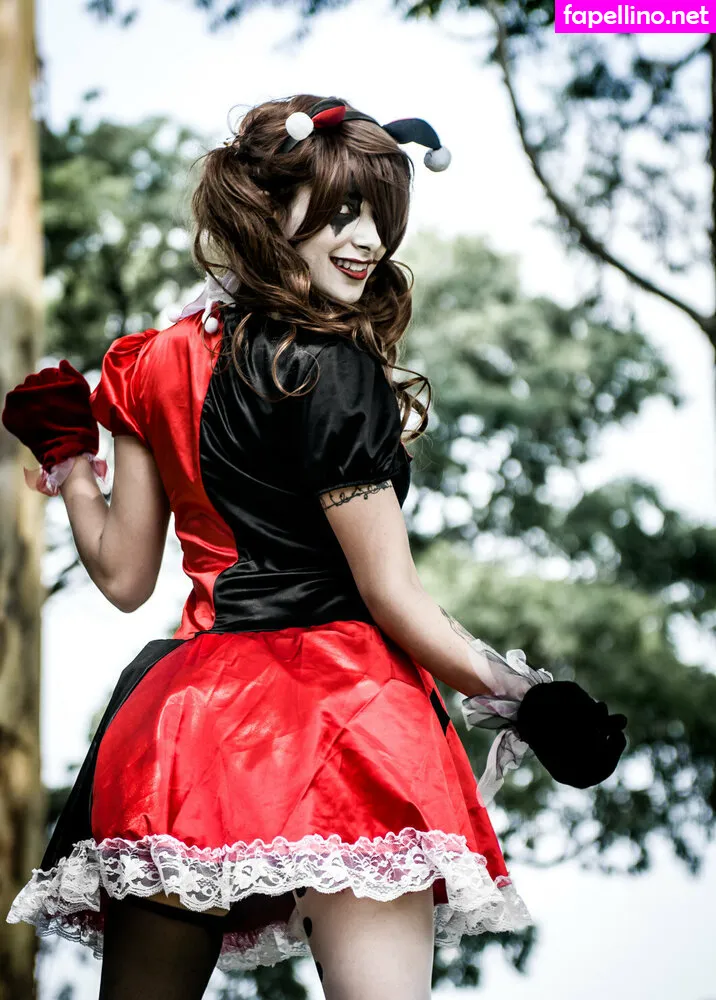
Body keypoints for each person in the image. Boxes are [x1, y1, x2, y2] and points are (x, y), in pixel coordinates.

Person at [3, 94, 626, 1000]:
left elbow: (125, 578)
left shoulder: (150, 361)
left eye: (381, 216)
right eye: (342, 212)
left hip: (187, 728)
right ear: (268, 207)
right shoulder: (332, 367)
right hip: (349, 722)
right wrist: (527, 699)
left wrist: (70, 462)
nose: (368, 240)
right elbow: (391, 594)